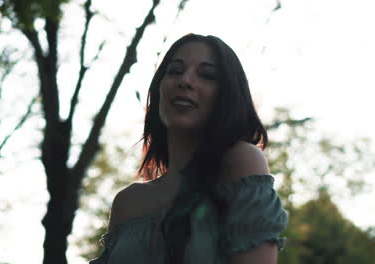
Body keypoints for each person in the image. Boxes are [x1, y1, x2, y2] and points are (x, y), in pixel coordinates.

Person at [90, 33, 288, 264]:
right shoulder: (127, 202)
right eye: (175, 71)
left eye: (207, 75)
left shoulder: (242, 162)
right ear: (159, 89)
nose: (185, 81)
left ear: (227, 95)